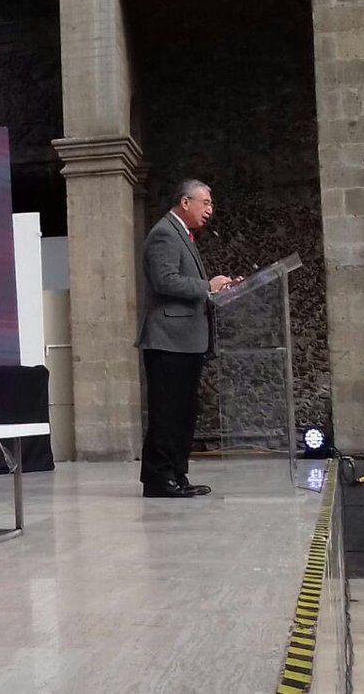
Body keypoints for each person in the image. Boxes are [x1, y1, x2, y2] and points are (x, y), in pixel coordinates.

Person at [136, 179, 240, 499]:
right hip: (168, 340)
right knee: (167, 413)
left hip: (184, 341)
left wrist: (216, 288)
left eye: (211, 204)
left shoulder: (183, 234)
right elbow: (165, 280)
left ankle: (177, 474)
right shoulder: (164, 233)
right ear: (185, 202)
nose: (210, 209)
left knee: (182, 413)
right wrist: (208, 286)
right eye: (205, 203)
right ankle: (159, 479)